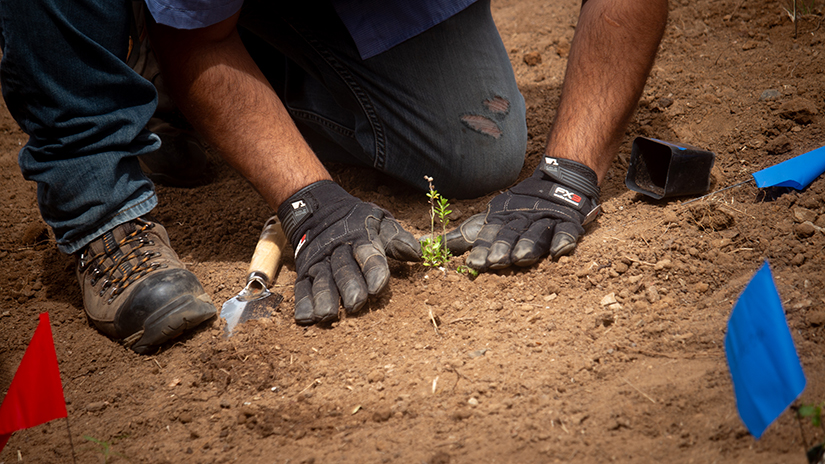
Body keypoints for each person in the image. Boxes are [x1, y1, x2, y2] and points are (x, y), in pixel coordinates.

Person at [147, 0, 668, 323]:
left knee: (476, 153)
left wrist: (569, 173)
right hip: (206, 19)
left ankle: (266, 70)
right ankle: (144, 65)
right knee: (195, 19)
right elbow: (195, 38)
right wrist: (308, 200)